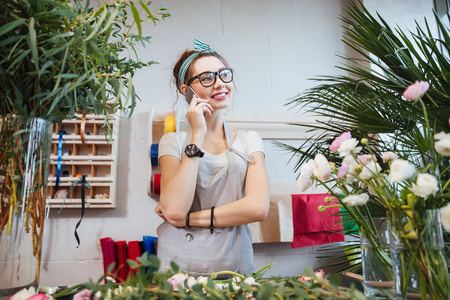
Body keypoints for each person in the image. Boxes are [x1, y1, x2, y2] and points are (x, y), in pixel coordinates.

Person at [155, 39, 270, 276]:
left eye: (224, 74)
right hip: (178, 269)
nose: (220, 84)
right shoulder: (173, 142)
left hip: (235, 266)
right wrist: (197, 134)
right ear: (187, 91)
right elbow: (176, 209)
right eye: (207, 78)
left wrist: (188, 220)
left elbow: (258, 208)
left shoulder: (249, 140)